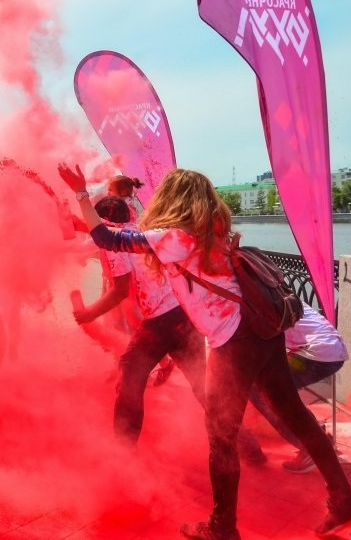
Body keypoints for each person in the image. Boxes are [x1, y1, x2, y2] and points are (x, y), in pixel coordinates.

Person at [59, 164, 351, 540]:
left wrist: (78, 192)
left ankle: (223, 527)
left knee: (220, 433)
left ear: (171, 200)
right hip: (262, 334)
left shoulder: (175, 238)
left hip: (233, 342)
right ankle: (344, 499)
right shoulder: (214, 235)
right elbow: (120, 234)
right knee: (296, 415)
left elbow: (109, 239)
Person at [74, 197, 266, 463]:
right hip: (184, 317)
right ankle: (249, 448)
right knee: (203, 388)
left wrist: (87, 314)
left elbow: (119, 290)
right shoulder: (139, 230)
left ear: (102, 218)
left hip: (160, 323)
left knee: (130, 379)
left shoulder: (115, 244)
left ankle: (122, 456)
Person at [248, 304, 349, 473]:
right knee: (276, 391)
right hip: (327, 350)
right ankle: (318, 437)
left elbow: (263, 347)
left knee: (266, 392)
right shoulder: (274, 294)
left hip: (317, 353)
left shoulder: (259, 302)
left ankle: (310, 447)